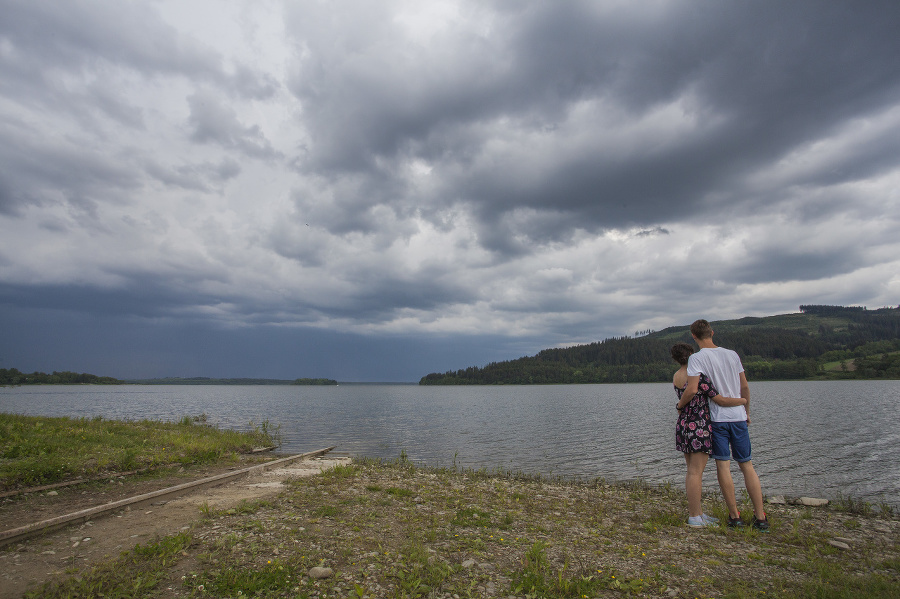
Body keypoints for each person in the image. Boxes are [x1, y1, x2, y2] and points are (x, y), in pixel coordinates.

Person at [681, 319, 769, 531]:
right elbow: (744, 386)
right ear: (712, 332)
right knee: (747, 465)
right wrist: (746, 412)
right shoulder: (732, 354)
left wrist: (679, 405)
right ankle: (760, 517)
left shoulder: (697, 358)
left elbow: (692, 389)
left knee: (723, 465)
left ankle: (734, 516)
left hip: (718, 419)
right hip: (738, 416)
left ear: (693, 336)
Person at [671, 342, 747, 527]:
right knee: (696, 473)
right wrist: (742, 400)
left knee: (691, 471)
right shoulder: (699, 378)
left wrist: (679, 406)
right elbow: (719, 399)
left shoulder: (676, 376)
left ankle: (697, 513)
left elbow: (685, 398)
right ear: (692, 355)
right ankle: (695, 517)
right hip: (699, 426)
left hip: (683, 425)